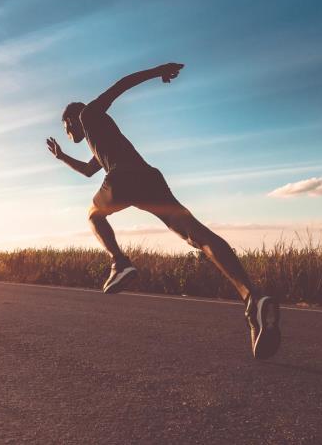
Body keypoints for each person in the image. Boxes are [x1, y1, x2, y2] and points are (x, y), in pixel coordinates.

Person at [45, 62, 281, 359]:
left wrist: (159, 71)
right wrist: (62, 157)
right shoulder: (99, 140)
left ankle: (119, 262)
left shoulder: (88, 114)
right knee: (198, 236)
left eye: (66, 132)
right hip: (149, 179)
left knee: (93, 215)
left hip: (123, 177)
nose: (67, 135)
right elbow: (89, 170)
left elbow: (121, 85)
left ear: (71, 121)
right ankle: (253, 298)